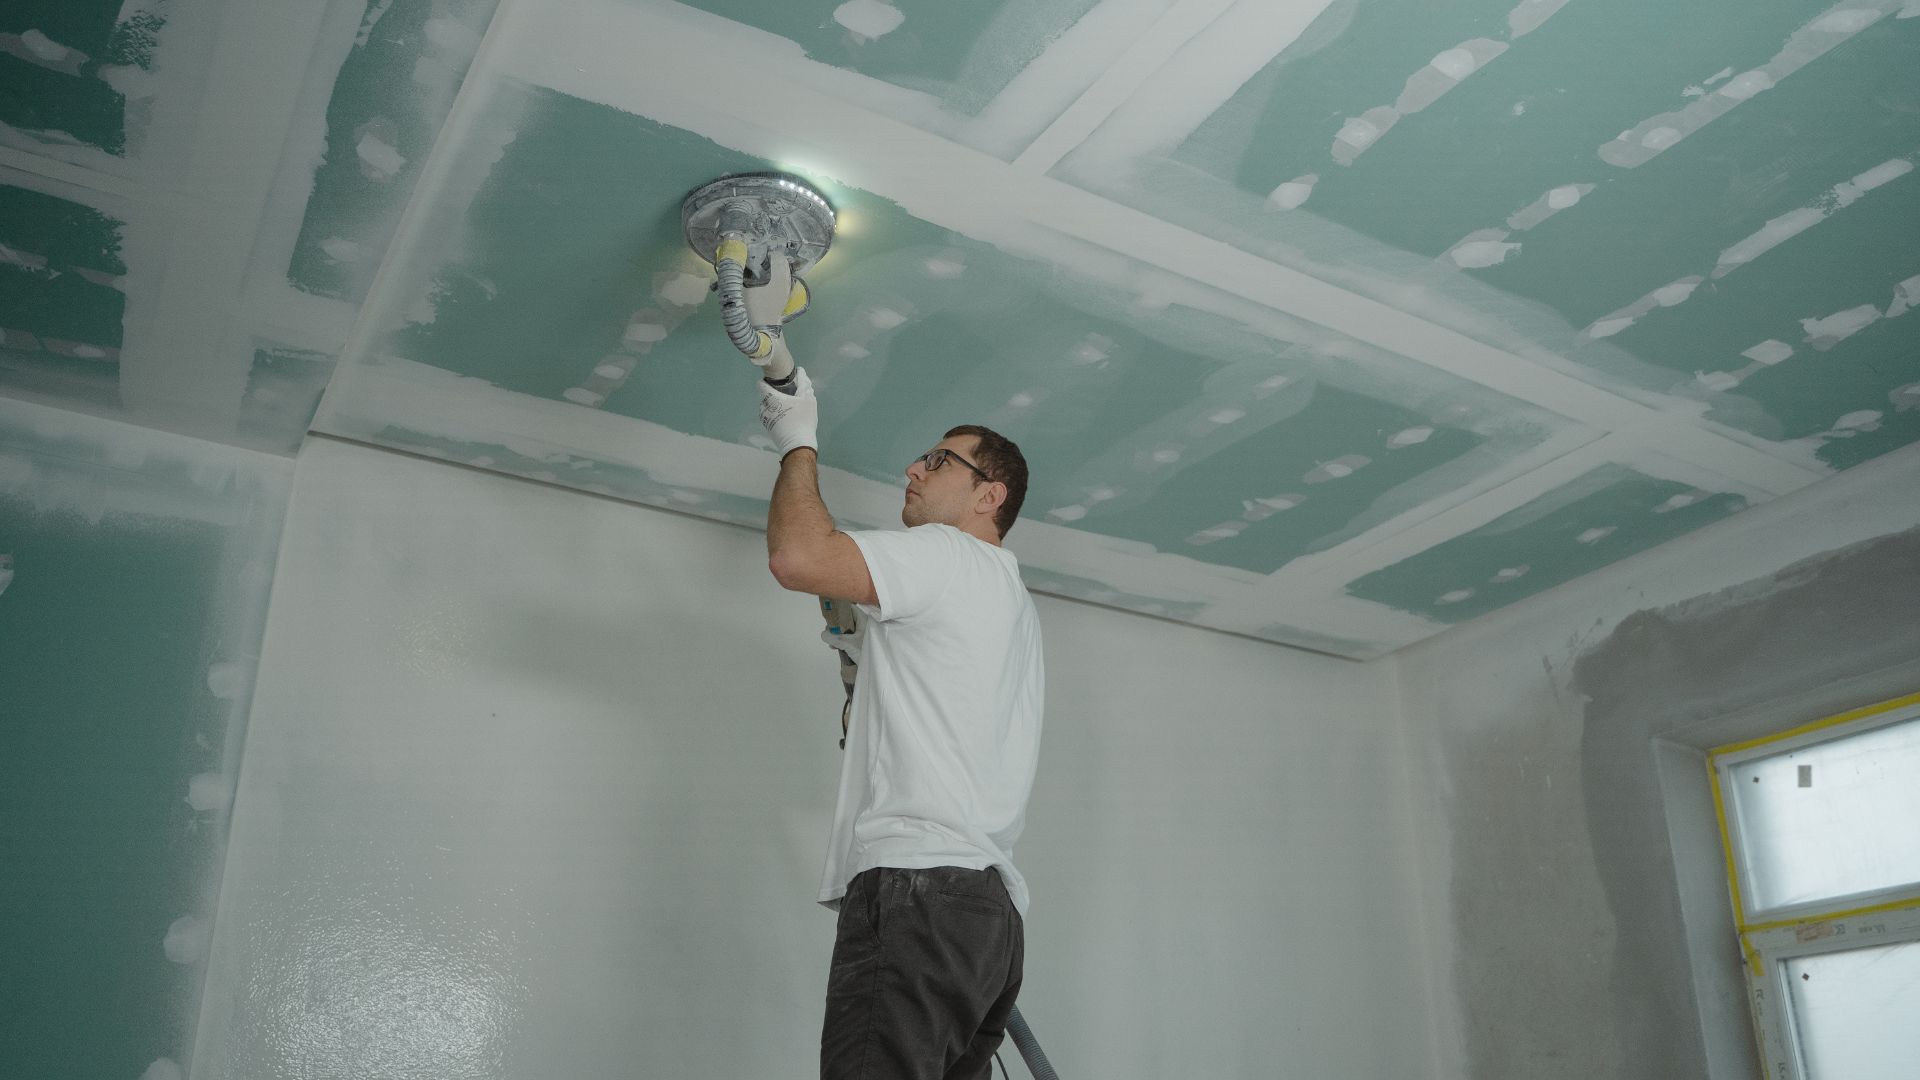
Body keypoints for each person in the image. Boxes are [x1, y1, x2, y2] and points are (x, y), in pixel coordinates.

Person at [757, 367, 1045, 1080]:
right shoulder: (1008, 601)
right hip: (986, 918)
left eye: (940, 460)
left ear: (990, 496)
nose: (914, 468)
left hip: (920, 892)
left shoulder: (949, 556)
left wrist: (797, 438)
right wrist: (852, 638)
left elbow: (798, 557)